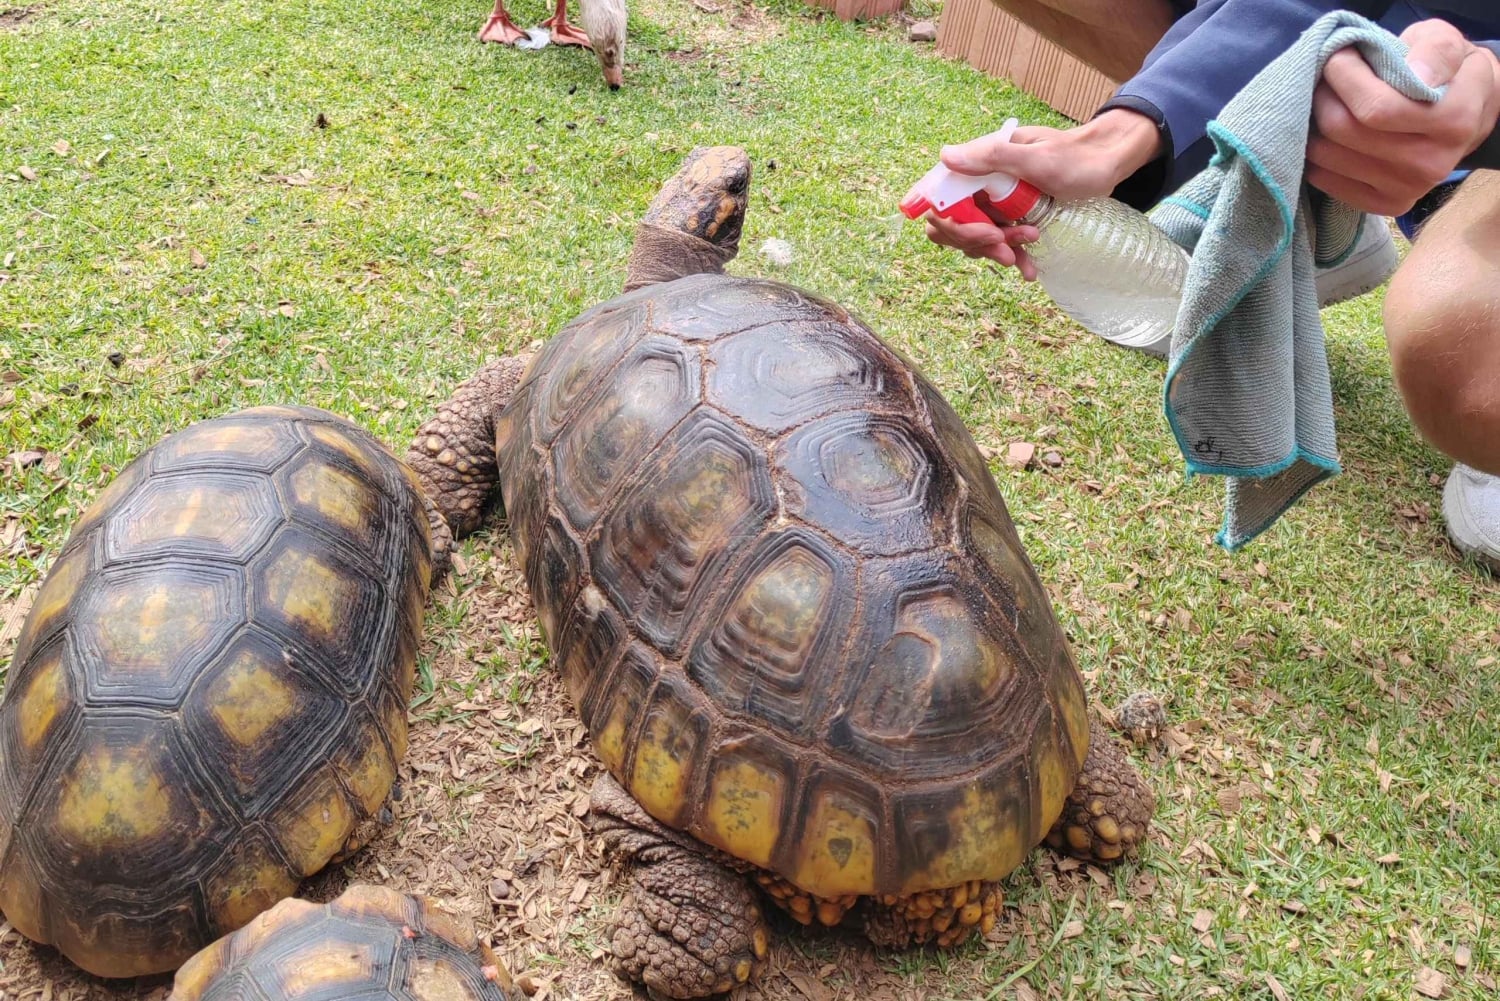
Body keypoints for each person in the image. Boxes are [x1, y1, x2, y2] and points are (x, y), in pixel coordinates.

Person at [922, 0, 1500, 569]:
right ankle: (1307, 229)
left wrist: (1492, 96)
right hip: (1372, 72)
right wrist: (1119, 136)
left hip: (1480, 130)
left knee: (1471, 377)